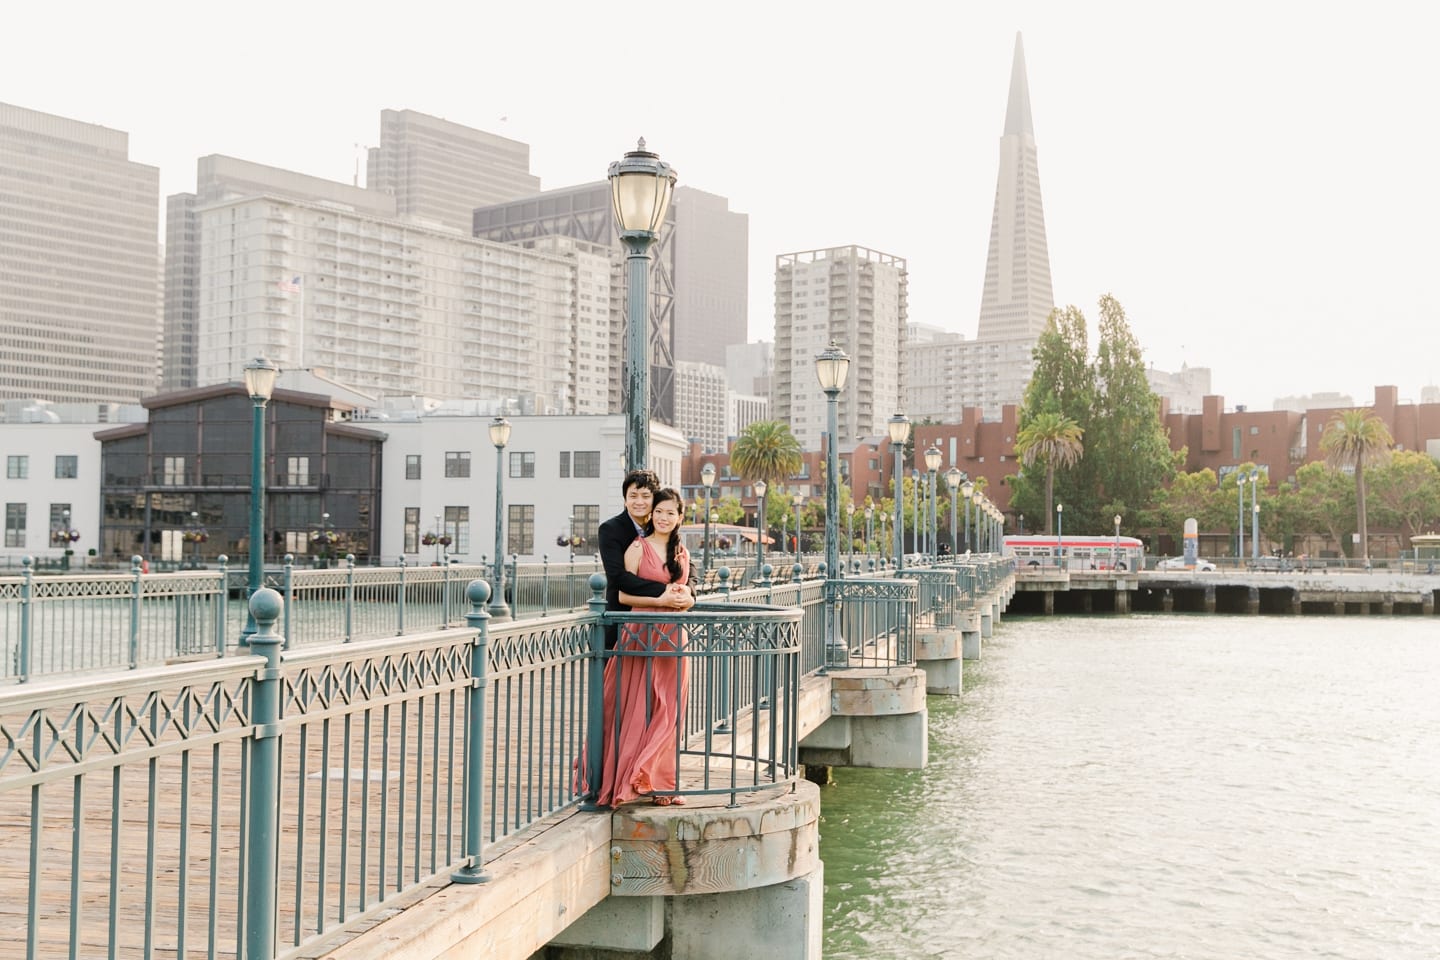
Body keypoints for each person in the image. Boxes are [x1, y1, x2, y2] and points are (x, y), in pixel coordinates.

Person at [598, 487, 692, 806]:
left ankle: (662, 781)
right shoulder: (638, 547)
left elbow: (687, 591)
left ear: (680, 518)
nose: (664, 518)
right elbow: (623, 596)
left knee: (669, 708)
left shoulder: (681, 552)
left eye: (671, 513)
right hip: (640, 631)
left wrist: (689, 598)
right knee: (638, 706)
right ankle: (634, 776)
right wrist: (659, 599)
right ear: (652, 515)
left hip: (673, 635)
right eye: (660, 512)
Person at [598, 469, 692, 649]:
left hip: (666, 629)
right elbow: (618, 577)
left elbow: (687, 564)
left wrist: (690, 593)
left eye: (645, 496)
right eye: (633, 496)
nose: (639, 502)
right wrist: (666, 591)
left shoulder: (660, 525)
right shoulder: (610, 530)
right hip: (624, 622)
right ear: (625, 500)